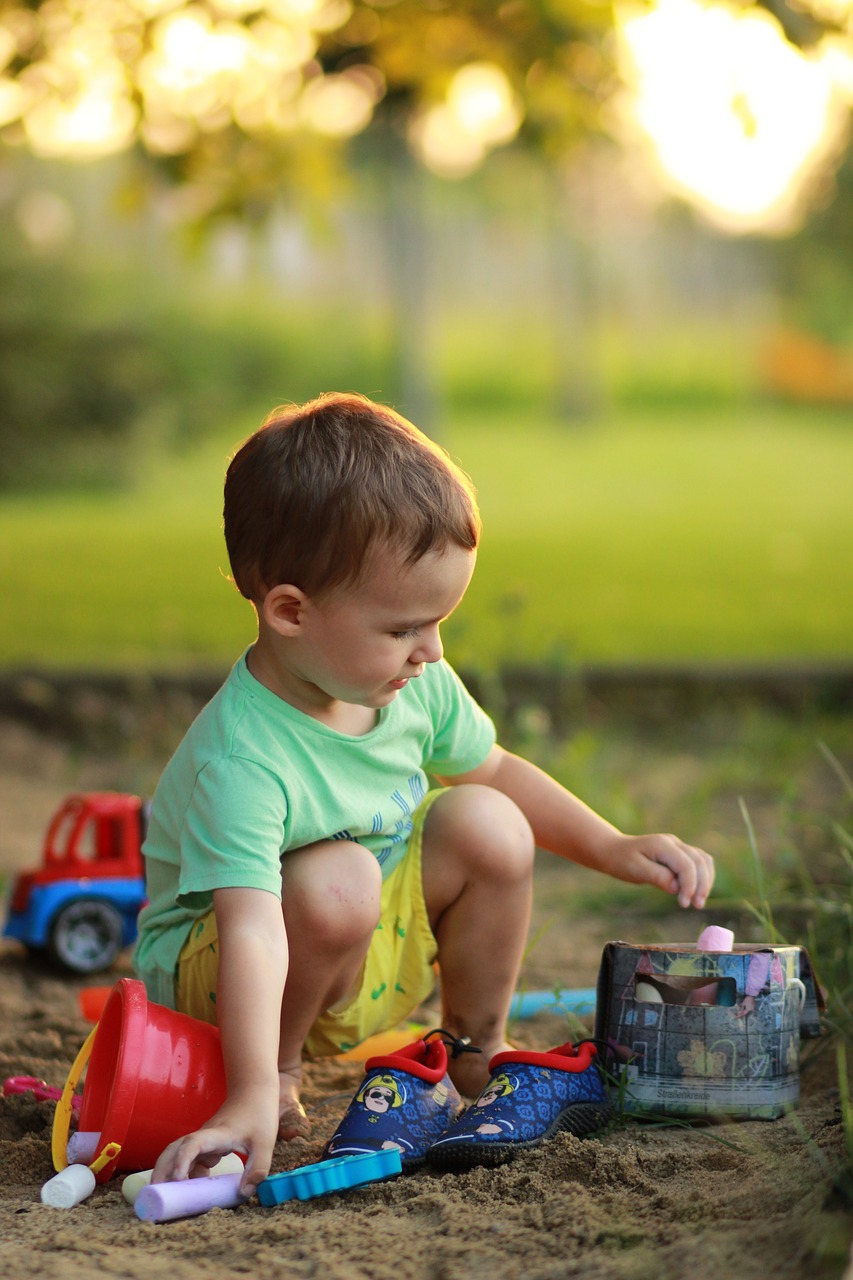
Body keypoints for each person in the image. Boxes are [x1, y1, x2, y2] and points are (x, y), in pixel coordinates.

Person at [134, 391, 714, 1194]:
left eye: (439, 622)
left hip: (357, 943)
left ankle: (472, 1055)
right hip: (226, 975)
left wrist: (612, 846)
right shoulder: (243, 758)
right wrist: (248, 1090)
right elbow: (252, 930)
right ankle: (277, 1073)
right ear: (291, 611)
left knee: (489, 820)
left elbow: (498, 769)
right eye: (404, 627)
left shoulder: (412, 686)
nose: (430, 651)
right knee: (338, 878)